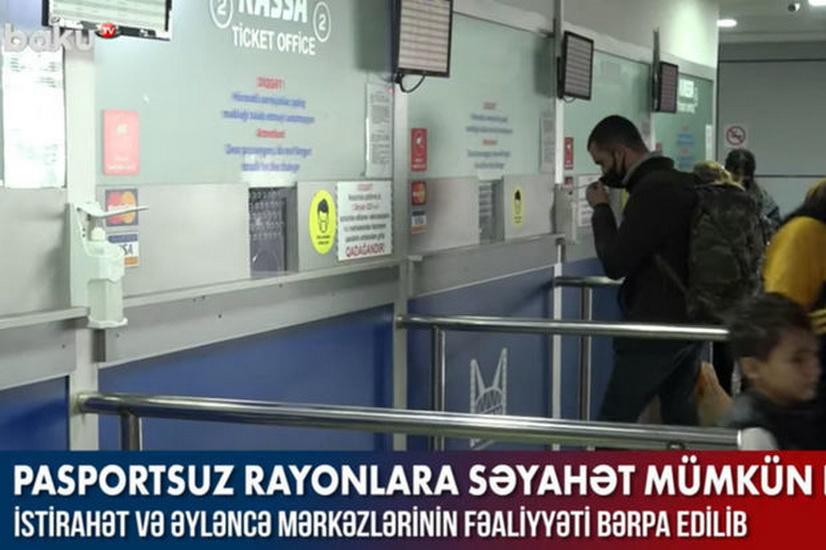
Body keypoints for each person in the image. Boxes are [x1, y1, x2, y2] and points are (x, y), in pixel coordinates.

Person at [585, 115, 701, 425]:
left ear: (620, 153)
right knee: (680, 420)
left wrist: (600, 209)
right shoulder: (681, 182)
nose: (603, 173)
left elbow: (615, 263)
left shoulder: (652, 191)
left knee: (614, 424)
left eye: (602, 162)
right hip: (688, 325)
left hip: (655, 328)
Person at [724, 293, 821, 450]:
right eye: (797, 360)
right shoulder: (752, 436)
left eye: (814, 355)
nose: (814, 368)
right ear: (753, 368)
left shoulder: (803, 409)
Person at [725, 149, 782, 243]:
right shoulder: (714, 196)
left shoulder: (762, 197)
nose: (740, 182)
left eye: (745, 178)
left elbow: (775, 228)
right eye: (736, 177)